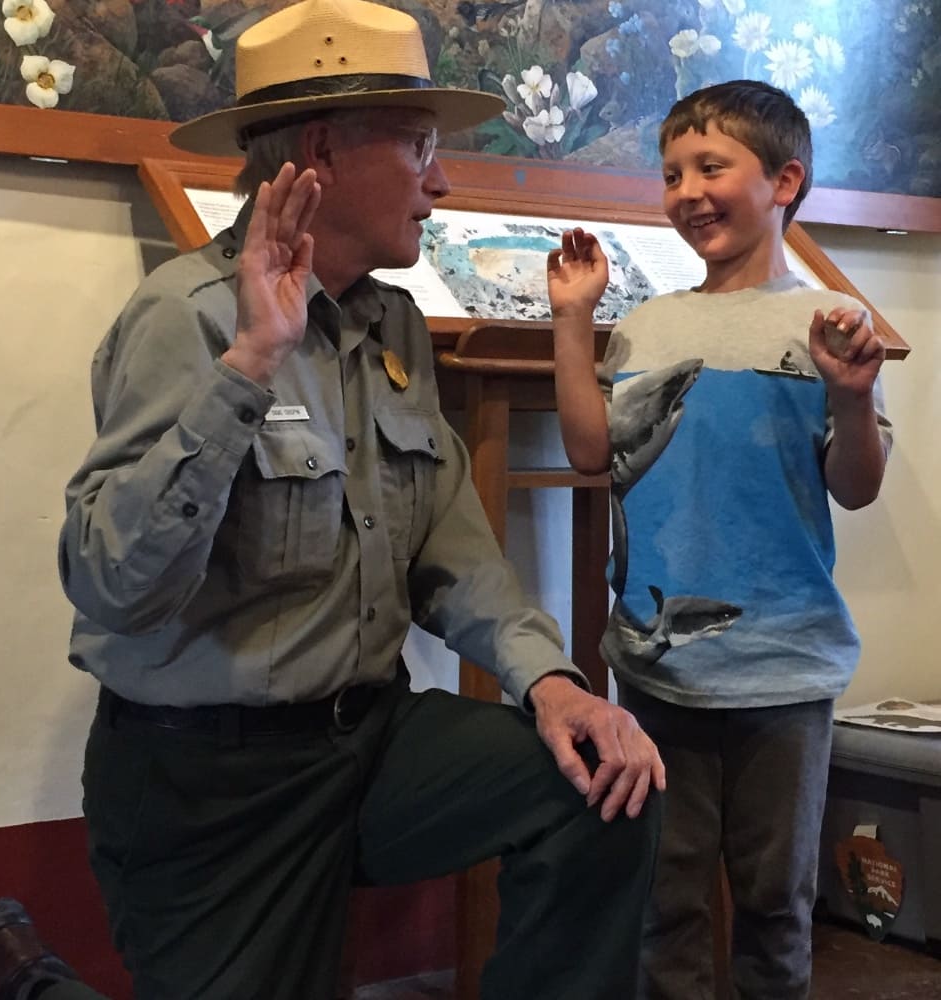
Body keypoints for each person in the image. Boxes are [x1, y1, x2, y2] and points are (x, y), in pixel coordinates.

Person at [56, 1, 665, 998]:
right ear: (321, 151)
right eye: (420, 145)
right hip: (210, 788)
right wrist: (253, 362)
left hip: (366, 743)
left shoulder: (393, 327)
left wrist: (551, 681)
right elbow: (113, 585)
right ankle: (31, 970)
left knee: (603, 787)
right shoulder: (186, 317)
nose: (440, 179)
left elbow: (453, 551)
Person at [547, 79, 891, 999]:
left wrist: (852, 398)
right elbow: (590, 450)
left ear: (785, 180)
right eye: (670, 174)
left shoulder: (831, 323)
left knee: (778, 899)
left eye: (712, 166)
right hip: (659, 676)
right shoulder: (651, 327)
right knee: (666, 896)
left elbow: (856, 487)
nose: (688, 191)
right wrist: (574, 321)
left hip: (788, 668)